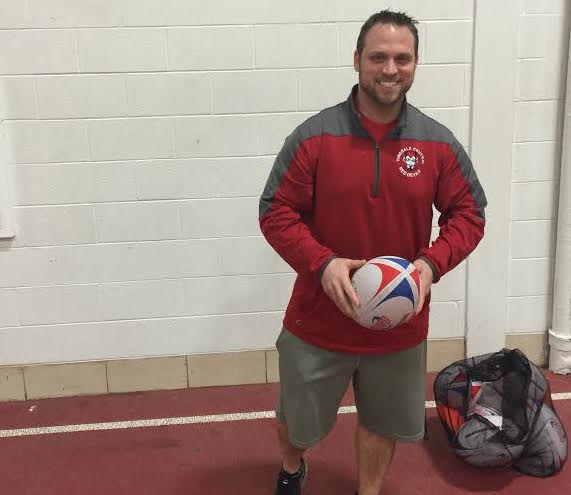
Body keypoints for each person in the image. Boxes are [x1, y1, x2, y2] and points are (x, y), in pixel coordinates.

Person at [258, 10, 487, 495]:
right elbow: (276, 211)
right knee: (294, 426)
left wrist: (430, 263)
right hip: (319, 319)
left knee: (382, 423)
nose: (390, 68)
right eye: (378, 57)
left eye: (402, 58)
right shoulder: (314, 137)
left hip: (399, 323)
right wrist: (322, 264)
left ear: (416, 64)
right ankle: (293, 464)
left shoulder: (437, 144)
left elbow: (469, 213)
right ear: (357, 60)